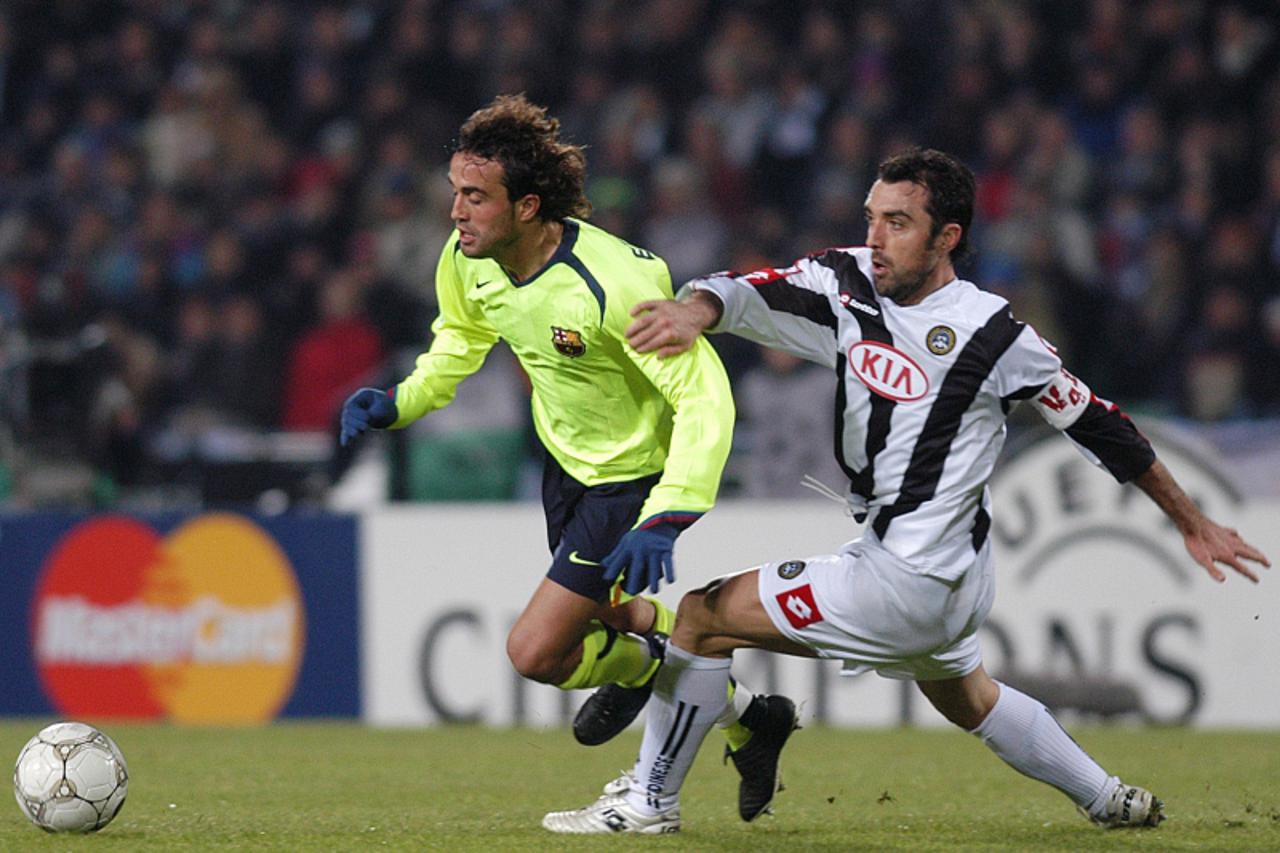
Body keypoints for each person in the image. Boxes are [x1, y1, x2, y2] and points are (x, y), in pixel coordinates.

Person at [542, 148, 1271, 834]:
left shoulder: (992, 332)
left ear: (946, 236)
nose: (877, 237)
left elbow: (1100, 424)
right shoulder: (849, 282)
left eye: (898, 222)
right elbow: (748, 290)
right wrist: (694, 311)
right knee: (970, 697)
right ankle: (1108, 797)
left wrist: (1191, 519)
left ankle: (647, 801)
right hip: (943, 573)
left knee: (700, 618)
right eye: (871, 216)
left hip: (910, 578)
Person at [338, 95, 792, 814]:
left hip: (636, 478)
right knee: (617, 617)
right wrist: (403, 400)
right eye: (456, 192)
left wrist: (668, 513)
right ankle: (752, 720)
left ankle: (648, 671)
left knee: (536, 652)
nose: (456, 212)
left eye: (475, 197)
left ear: (528, 205)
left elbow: (706, 397)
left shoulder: (614, 284)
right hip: (567, 467)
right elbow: (459, 339)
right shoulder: (468, 259)